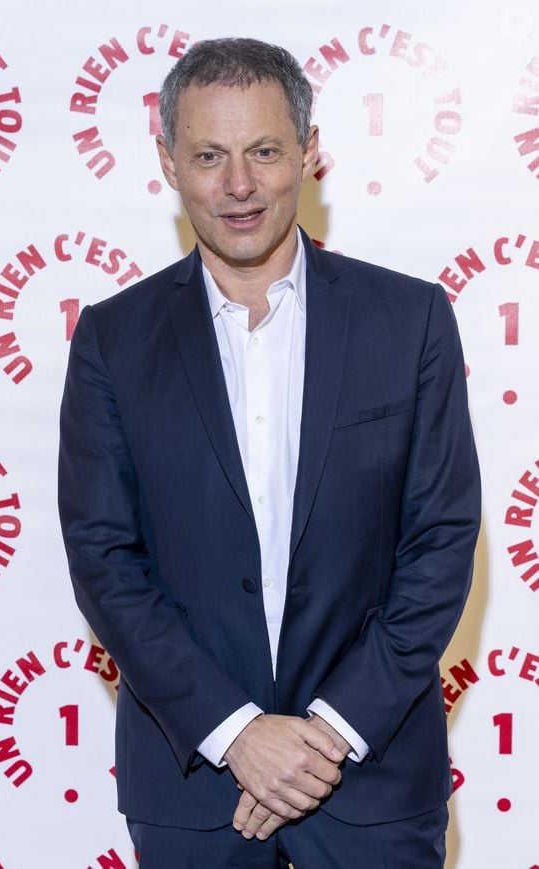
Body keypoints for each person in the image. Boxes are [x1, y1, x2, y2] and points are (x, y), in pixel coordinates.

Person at [58, 37, 480, 869]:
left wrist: (327, 735)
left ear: (309, 151)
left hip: (375, 783)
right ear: (169, 162)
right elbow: (105, 558)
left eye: (263, 152)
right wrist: (238, 733)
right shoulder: (113, 339)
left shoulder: (411, 320)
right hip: (194, 790)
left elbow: (440, 544)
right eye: (210, 156)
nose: (239, 185)